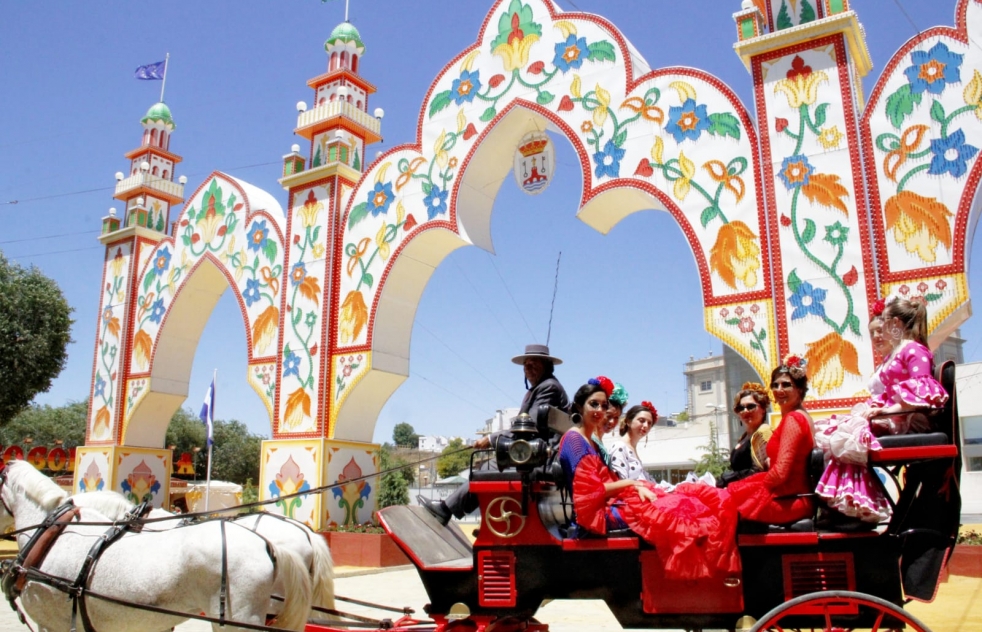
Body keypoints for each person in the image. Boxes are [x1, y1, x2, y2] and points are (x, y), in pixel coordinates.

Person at [559, 382, 740, 580]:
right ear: (579, 406)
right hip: (595, 513)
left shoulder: (591, 440)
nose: (600, 410)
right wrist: (632, 484)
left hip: (610, 502)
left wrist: (636, 486)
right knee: (673, 511)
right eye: (594, 404)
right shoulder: (574, 440)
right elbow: (590, 493)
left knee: (683, 502)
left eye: (603, 405)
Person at [814, 297, 948, 523]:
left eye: (883, 322)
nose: (880, 328)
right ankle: (843, 503)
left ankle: (853, 506)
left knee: (850, 436)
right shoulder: (897, 352)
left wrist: (885, 412)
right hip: (896, 414)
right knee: (832, 430)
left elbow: (921, 393)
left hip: (909, 419)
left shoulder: (915, 350)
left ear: (895, 323)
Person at [422, 344, 569, 525]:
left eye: (534, 364)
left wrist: (491, 439)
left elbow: (528, 428)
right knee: (487, 465)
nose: (528, 368)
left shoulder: (548, 387)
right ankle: (482, 519)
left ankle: (449, 510)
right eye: (526, 365)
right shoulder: (541, 388)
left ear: (546, 365)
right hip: (536, 457)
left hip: (540, 460)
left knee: (490, 466)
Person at [727, 357, 815, 525]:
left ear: (800, 388)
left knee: (722, 507)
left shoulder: (793, 419)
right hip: (787, 496)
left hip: (790, 500)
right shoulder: (799, 416)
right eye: (775, 385)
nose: (779, 389)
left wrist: (750, 489)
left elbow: (780, 473)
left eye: (786, 384)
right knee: (724, 498)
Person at [717, 383, 771, 488]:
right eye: (740, 408)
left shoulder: (764, 433)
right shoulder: (743, 437)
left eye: (751, 406)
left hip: (753, 493)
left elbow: (761, 471)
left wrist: (730, 478)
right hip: (737, 490)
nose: (745, 411)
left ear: (763, 408)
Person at [608, 402, 656, 481]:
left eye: (649, 423)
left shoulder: (631, 448)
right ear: (628, 422)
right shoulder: (619, 446)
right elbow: (621, 482)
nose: (646, 426)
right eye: (641, 420)